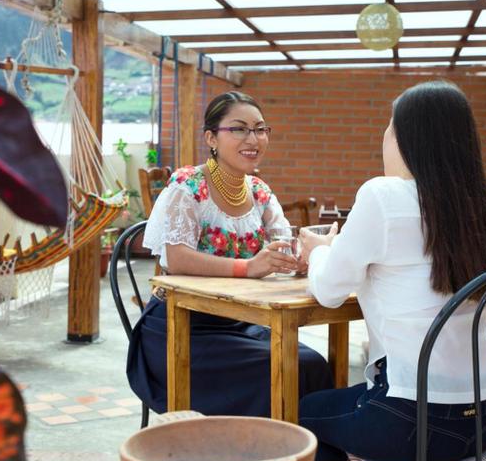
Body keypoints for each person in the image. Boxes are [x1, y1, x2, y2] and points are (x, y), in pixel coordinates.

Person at [297, 80, 486, 461]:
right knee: (342, 406)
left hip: (413, 424)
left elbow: (328, 290)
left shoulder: (383, 195)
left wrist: (318, 252)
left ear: (409, 138)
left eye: (390, 127)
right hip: (482, 420)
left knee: (300, 416)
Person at [128, 91, 333, 417]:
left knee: (310, 365)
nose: (253, 139)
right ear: (211, 137)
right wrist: (248, 267)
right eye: (239, 129)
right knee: (278, 372)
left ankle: (294, 457)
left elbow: (284, 239)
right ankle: (254, 451)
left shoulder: (260, 192)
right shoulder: (188, 186)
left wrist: (297, 259)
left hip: (242, 321)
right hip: (181, 326)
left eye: (261, 129)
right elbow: (177, 257)